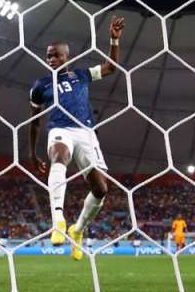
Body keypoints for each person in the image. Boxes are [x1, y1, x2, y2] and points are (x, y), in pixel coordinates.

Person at [29, 15, 125, 260]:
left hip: (86, 132)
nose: (51, 59)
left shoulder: (81, 75)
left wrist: (114, 40)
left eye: (56, 55)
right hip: (59, 129)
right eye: (48, 56)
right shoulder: (40, 85)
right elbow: (34, 121)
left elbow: (111, 68)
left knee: (101, 189)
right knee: (59, 156)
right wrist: (32, 152)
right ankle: (58, 220)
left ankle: (78, 229)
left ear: (67, 57)